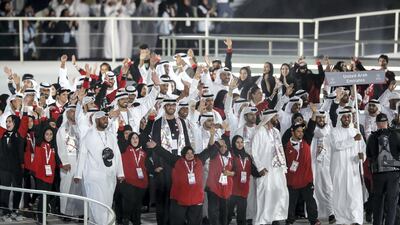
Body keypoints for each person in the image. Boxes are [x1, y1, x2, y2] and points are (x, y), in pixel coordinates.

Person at [147, 137, 219, 225]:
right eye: (187, 153)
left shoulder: (199, 159)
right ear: (183, 154)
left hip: (196, 200)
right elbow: (165, 154)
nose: (190, 155)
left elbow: (208, 152)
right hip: (179, 200)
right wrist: (155, 147)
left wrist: (218, 144)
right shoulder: (177, 161)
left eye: (191, 153)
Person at [75, 111, 124, 224]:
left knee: (107, 202)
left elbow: (117, 155)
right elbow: (82, 155)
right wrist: (78, 174)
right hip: (94, 176)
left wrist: (120, 173)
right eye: (103, 119)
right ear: (96, 120)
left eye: (106, 119)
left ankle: (100, 222)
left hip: (110, 176)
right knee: (97, 202)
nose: (106, 121)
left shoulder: (111, 136)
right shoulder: (88, 135)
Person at [252, 109, 289, 225]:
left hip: (277, 170)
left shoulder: (276, 132)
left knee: (278, 192)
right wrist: (260, 167)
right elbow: (254, 152)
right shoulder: (259, 132)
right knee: (265, 194)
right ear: (269, 117)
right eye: (275, 117)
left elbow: (280, 149)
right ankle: (261, 220)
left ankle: (275, 217)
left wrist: (284, 166)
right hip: (265, 170)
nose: (277, 119)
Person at [329, 108, 366, 225]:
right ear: (340, 118)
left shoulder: (356, 131)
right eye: (344, 117)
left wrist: (362, 156)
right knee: (340, 194)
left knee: (354, 194)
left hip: (353, 168)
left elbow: (363, 149)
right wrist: (353, 140)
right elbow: (337, 146)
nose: (347, 119)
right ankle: (341, 219)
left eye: (348, 117)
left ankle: (355, 218)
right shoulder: (334, 132)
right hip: (339, 168)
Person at [366, 113, 400, 225]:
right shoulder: (395, 135)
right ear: (387, 123)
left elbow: (369, 155)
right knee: (391, 204)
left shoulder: (372, 137)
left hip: (378, 175)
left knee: (378, 203)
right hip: (393, 174)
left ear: (377, 124)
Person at [56, 104, 84, 217]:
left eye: (75, 111)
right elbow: (60, 146)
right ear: (67, 113)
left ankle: (80, 212)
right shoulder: (62, 129)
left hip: (80, 161)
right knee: (66, 187)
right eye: (71, 111)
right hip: (68, 161)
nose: (74, 113)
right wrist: (65, 162)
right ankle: (65, 212)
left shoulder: (81, 127)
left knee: (79, 188)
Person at [227, 135, 261, 225]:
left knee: (242, 216)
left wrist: (261, 172)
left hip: (243, 190)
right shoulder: (231, 155)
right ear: (233, 143)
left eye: (241, 142)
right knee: (227, 214)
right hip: (232, 190)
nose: (240, 144)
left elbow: (253, 170)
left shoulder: (247, 156)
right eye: (237, 142)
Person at [310, 111, 335, 223]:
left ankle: (331, 213)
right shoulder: (312, 131)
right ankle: (315, 214)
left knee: (328, 189)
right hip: (314, 164)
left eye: (323, 118)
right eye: (319, 118)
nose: (321, 121)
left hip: (327, 165)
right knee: (314, 190)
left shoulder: (331, 130)